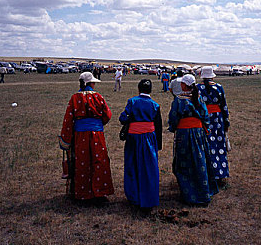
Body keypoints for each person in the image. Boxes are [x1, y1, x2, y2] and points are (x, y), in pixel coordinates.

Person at [59, 72, 114, 203]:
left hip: (80, 136)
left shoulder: (74, 98)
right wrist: (97, 125)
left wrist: (66, 138)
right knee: (99, 161)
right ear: (91, 83)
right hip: (97, 135)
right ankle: (99, 193)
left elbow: (68, 119)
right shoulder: (98, 97)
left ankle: (83, 194)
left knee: (82, 162)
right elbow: (107, 115)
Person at [168, 74, 218, 205]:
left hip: (184, 134)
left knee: (185, 162)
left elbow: (173, 117)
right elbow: (205, 116)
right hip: (198, 133)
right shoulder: (199, 99)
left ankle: (190, 194)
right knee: (200, 160)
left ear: (183, 85)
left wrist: (173, 128)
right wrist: (205, 128)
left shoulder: (179, 100)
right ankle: (203, 192)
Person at [119, 79, 162, 213]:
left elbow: (123, 118)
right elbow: (158, 126)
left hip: (133, 138)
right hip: (149, 139)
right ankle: (149, 198)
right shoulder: (155, 105)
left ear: (138, 89)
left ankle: (134, 197)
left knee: (133, 165)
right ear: (151, 90)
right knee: (149, 167)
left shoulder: (132, 102)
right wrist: (158, 145)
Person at [197, 66, 230, 187]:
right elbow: (224, 106)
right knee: (218, 145)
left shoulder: (197, 88)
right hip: (217, 120)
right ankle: (220, 173)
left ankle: (207, 174)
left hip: (204, 119)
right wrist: (226, 122)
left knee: (206, 145)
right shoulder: (219, 87)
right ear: (212, 75)